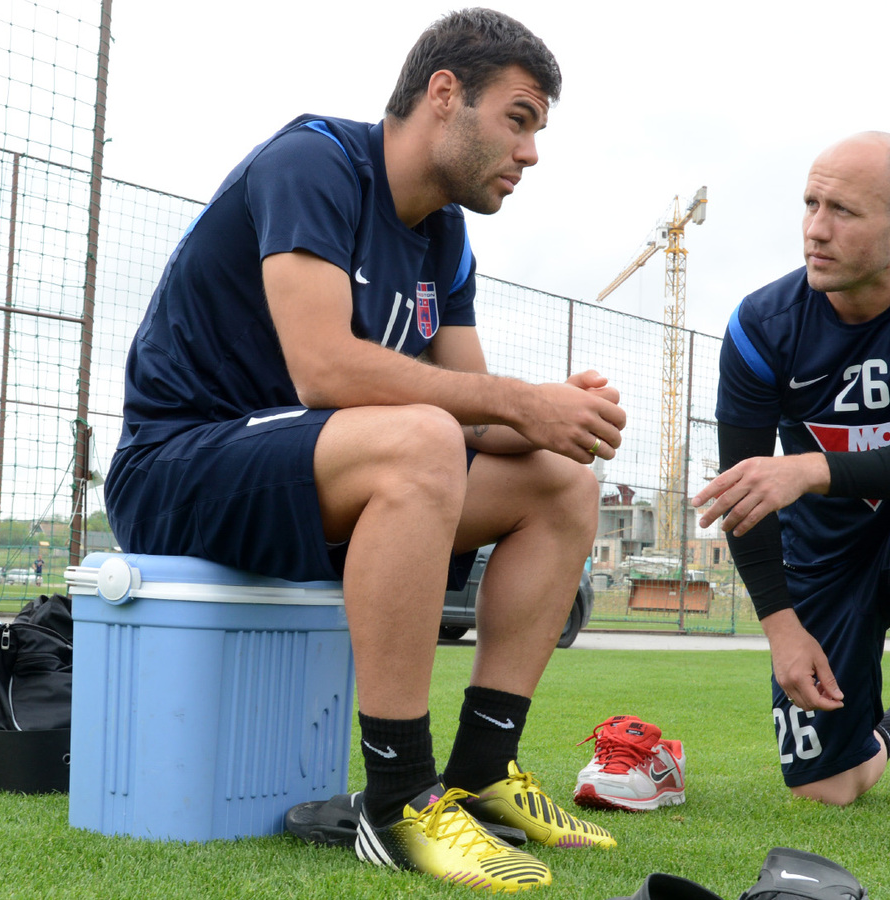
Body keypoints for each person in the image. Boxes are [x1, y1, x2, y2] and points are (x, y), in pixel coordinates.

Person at [105, 9, 623, 890]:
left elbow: (474, 414)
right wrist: (512, 401)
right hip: (179, 467)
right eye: (519, 119)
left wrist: (551, 415)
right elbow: (323, 369)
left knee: (561, 485)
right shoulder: (313, 163)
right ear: (445, 93)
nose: (530, 153)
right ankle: (396, 802)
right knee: (419, 438)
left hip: (319, 477)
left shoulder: (445, 235)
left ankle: (481, 773)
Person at [694, 132, 890, 861]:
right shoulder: (760, 325)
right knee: (823, 787)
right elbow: (743, 497)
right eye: (811, 203)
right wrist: (781, 628)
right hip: (819, 557)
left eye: (844, 211)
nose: (816, 228)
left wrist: (811, 468)